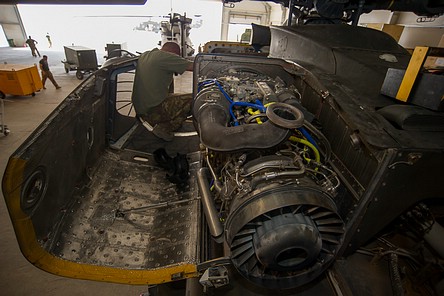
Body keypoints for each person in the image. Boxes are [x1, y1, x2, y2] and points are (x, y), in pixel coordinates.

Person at [131, 42, 194, 141]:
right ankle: (165, 128)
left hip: (141, 110)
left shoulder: (146, 55)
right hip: (153, 111)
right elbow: (194, 67)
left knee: (176, 96)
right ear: (173, 53)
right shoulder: (167, 57)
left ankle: (163, 123)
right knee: (194, 99)